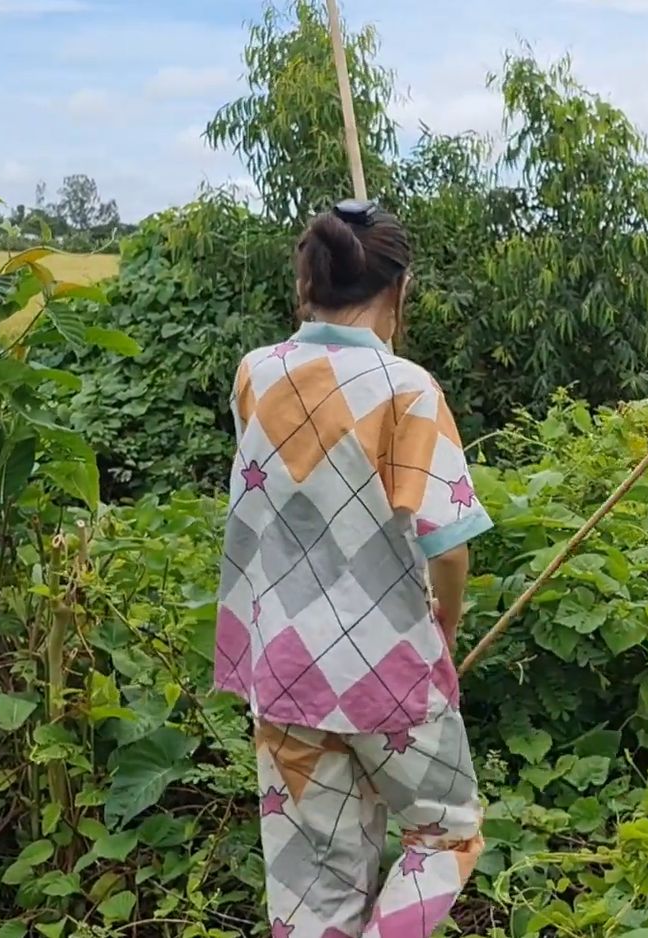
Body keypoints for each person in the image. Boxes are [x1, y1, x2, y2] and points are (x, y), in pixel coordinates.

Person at [211, 200, 493, 937]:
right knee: (447, 834)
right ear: (402, 289)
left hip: (281, 664)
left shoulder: (254, 374)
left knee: (310, 890)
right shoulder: (407, 388)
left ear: (306, 281)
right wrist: (446, 626)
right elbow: (449, 543)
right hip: (386, 664)